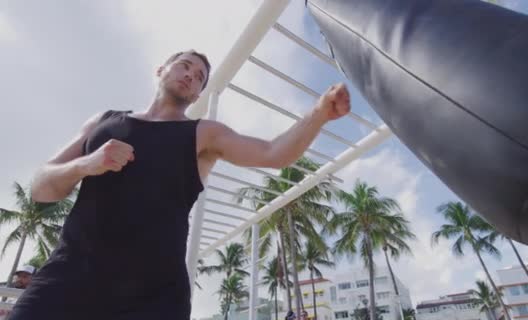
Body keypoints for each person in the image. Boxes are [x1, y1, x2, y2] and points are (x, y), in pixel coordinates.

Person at [8, 49, 350, 320]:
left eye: (200, 77)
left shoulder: (203, 133)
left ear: (200, 92)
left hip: (154, 298)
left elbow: (273, 153)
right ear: (161, 70)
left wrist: (319, 113)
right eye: (185, 66)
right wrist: (89, 163)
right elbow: (41, 187)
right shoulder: (103, 122)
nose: (191, 75)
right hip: (68, 280)